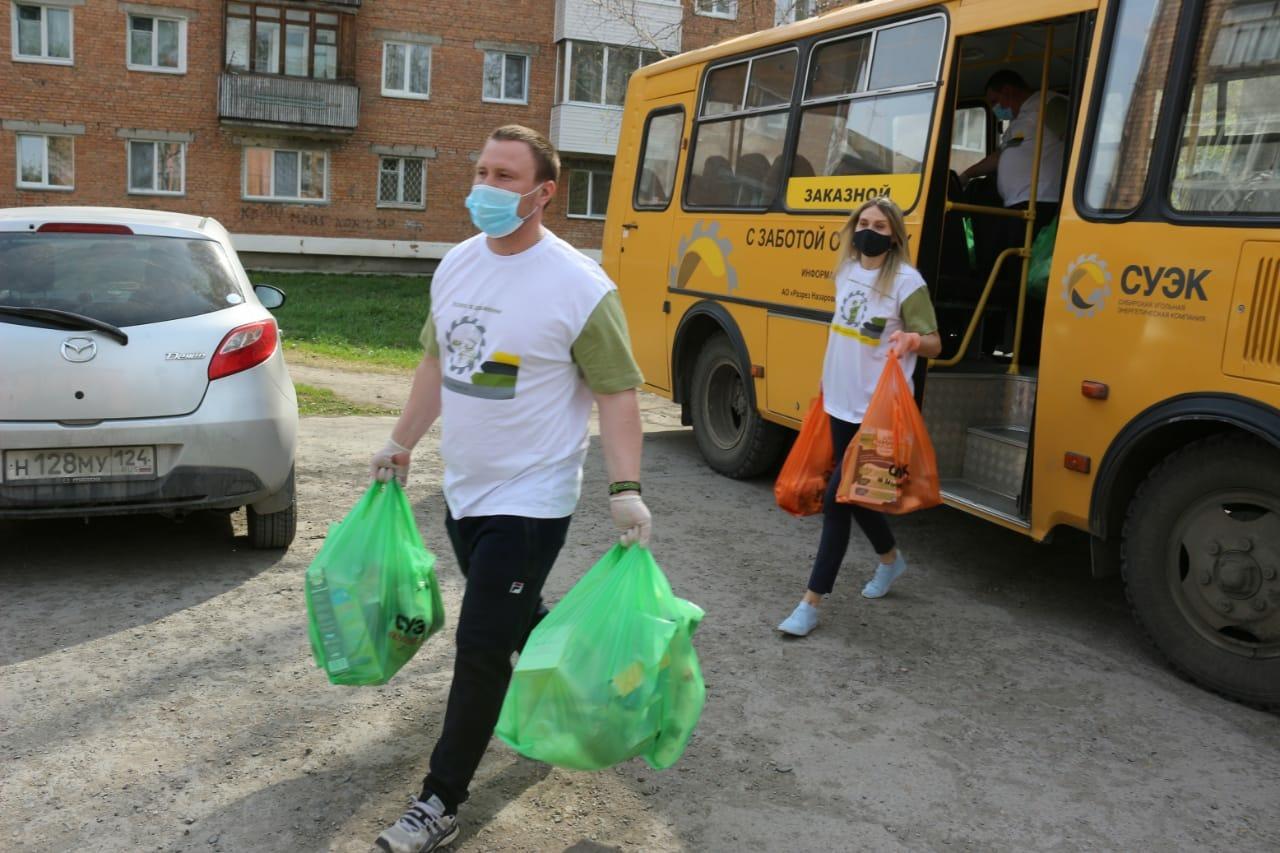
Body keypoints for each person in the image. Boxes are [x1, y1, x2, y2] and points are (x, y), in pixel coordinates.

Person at [368, 124, 651, 853]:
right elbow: (438, 365)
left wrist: (625, 486)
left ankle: (440, 799)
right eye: (482, 171)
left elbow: (619, 392)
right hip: (465, 490)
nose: (486, 188)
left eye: (504, 176)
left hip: (533, 497)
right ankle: (589, 692)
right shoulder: (458, 265)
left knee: (482, 643)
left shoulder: (580, 285)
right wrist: (402, 442)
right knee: (517, 620)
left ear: (542, 192)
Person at [777, 197, 941, 638]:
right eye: (864, 223)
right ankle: (890, 560)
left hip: (878, 414)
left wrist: (910, 339)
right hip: (839, 402)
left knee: (838, 500)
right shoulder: (847, 270)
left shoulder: (908, 281)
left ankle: (811, 603)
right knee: (857, 496)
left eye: (880, 226)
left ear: (894, 237)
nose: (870, 231)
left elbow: (934, 342)